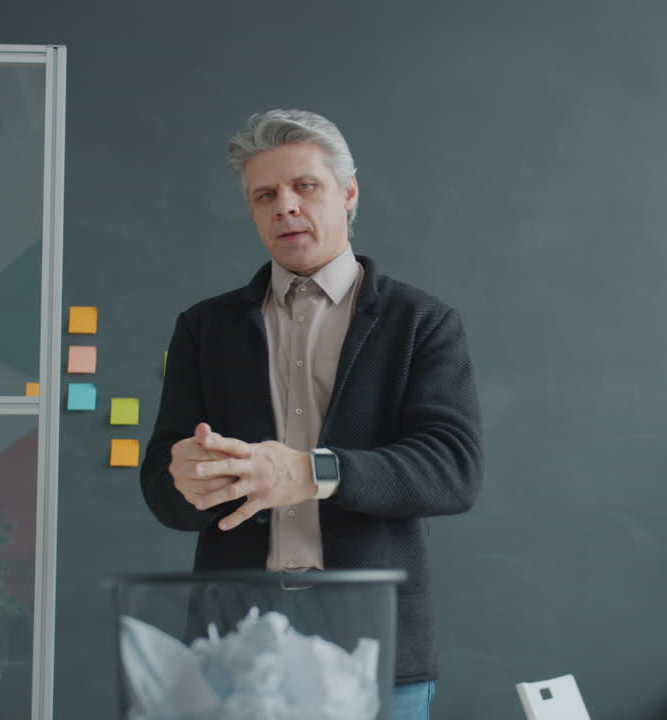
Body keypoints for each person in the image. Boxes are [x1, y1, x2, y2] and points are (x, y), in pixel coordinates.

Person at [139, 109, 483, 720]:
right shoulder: (203, 328)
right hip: (236, 643)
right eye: (265, 195)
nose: (285, 207)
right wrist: (183, 477)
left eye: (306, 187)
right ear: (251, 211)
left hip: (375, 640)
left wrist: (311, 471)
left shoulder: (422, 323)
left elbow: (453, 469)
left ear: (349, 194)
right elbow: (162, 490)